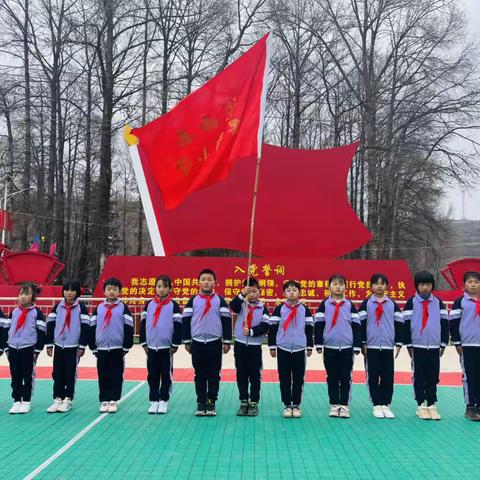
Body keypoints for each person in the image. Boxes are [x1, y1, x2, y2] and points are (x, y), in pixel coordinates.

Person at [182, 269, 232, 416]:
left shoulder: (220, 300)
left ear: (215, 283)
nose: (206, 282)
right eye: (203, 279)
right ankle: (201, 401)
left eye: (209, 279)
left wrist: (227, 340)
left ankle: (211, 401)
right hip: (197, 343)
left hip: (214, 343)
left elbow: (226, 321)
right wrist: (187, 340)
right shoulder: (193, 300)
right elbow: (186, 321)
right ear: (198, 283)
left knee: (214, 374)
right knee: (199, 374)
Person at [315, 274, 361, 419]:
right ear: (329, 287)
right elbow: (319, 324)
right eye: (335, 284)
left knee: (346, 377)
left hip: (347, 348)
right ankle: (334, 404)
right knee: (332, 377)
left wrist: (357, 345)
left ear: (345, 287)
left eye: (341, 284)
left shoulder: (350, 305)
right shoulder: (324, 304)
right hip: (330, 347)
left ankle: (345, 405)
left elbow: (357, 326)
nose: (338, 287)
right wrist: (318, 343)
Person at [404, 271, 448, 420]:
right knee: (419, 375)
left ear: (432, 286)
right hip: (417, 346)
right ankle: (421, 403)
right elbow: (406, 323)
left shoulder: (438, 302)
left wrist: (443, 343)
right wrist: (409, 344)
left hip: (434, 347)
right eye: (421, 285)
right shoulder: (411, 302)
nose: (424, 288)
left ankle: (431, 403)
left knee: (433, 376)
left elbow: (444, 323)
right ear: (417, 286)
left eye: (428, 285)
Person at [358, 274, 404, 419]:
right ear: (371, 286)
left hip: (387, 346)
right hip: (371, 347)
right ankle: (376, 404)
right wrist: (362, 343)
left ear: (387, 286)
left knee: (387, 376)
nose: (379, 286)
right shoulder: (366, 304)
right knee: (372, 376)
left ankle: (386, 404)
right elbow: (361, 325)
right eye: (376, 283)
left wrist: (398, 343)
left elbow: (399, 324)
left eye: (382, 283)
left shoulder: (392, 304)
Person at [269, 280, 313, 418]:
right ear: (284, 293)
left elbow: (309, 328)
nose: (292, 292)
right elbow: (273, 328)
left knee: (299, 378)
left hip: (300, 349)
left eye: (294, 290)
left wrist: (310, 346)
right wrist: (272, 346)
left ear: (299, 292)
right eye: (288, 290)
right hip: (283, 348)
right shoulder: (279, 308)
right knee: (284, 378)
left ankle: (297, 405)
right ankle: (287, 405)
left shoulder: (304, 309)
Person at [45, 279, 90, 413]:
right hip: (59, 345)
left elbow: (86, 327)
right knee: (57, 372)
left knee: (70, 373)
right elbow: (51, 324)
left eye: (72, 290)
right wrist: (49, 343)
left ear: (77, 292)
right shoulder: (58, 306)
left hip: (73, 346)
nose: (69, 293)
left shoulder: (81, 307)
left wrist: (82, 345)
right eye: (66, 290)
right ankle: (57, 398)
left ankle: (68, 399)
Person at [0, 283, 45, 414]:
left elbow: (41, 332)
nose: (23, 297)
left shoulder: (37, 313)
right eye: (21, 294)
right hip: (13, 348)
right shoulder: (13, 312)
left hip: (28, 348)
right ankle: (16, 401)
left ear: (33, 296)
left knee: (27, 375)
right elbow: (6, 330)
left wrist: (37, 350)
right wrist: (7, 348)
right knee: (15, 375)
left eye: (27, 294)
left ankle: (26, 401)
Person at [90, 277, 134, 413]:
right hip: (102, 348)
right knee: (103, 374)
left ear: (120, 291)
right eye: (109, 289)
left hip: (117, 348)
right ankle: (104, 400)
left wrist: (126, 346)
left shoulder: (123, 308)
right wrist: (93, 346)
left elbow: (128, 328)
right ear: (104, 292)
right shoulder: (99, 308)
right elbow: (92, 327)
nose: (112, 292)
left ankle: (114, 400)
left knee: (116, 374)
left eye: (115, 289)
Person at [140, 275, 182, 414]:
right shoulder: (149, 304)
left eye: (165, 286)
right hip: (151, 348)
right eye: (159, 286)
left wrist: (175, 344)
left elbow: (178, 326)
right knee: (152, 375)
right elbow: (142, 324)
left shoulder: (173, 305)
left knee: (166, 375)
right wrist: (144, 342)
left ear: (170, 288)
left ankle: (164, 400)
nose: (161, 289)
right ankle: (153, 400)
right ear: (155, 288)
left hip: (166, 349)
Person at [230, 278, 270, 416]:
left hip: (255, 347)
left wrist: (252, 331)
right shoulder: (241, 304)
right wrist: (242, 295)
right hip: (240, 345)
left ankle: (253, 402)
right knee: (241, 374)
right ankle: (243, 401)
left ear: (260, 292)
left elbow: (265, 326)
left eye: (255, 291)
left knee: (254, 374)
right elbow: (233, 306)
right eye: (249, 291)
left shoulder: (263, 308)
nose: (252, 294)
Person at [450, 270, 480, 421]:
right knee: (470, 376)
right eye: (470, 282)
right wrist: (457, 343)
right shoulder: (460, 302)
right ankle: (470, 407)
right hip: (467, 345)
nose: (473, 285)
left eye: (476, 282)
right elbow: (454, 324)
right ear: (464, 285)